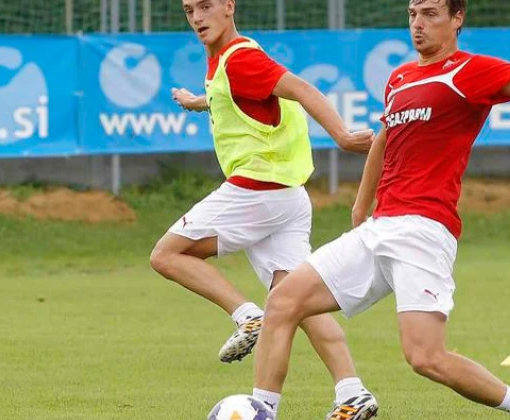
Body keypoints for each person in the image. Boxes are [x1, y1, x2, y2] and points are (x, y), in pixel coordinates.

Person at [252, 1, 510, 419]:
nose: (418, 24)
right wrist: (361, 207)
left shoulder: (471, 71)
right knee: (282, 302)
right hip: (380, 227)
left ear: (457, 18)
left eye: (430, 14)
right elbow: (384, 140)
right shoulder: (399, 77)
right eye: (412, 14)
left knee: (425, 357)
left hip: (423, 230)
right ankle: (262, 412)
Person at [149, 0, 376, 414]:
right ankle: (351, 391)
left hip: (258, 189)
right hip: (288, 197)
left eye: (206, 6)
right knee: (296, 302)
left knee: (167, 255)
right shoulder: (227, 61)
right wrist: (199, 101)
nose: (197, 18)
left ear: (229, 6)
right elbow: (233, 95)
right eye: (189, 10)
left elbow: (302, 89)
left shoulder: (241, 60)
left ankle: (246, 315)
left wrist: (343, 137)